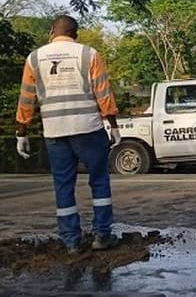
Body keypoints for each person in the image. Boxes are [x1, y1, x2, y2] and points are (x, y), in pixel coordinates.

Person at [15, 15, 122, 254]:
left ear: (52, 32)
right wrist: (113, 125)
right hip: (88, 129)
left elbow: (26, 98)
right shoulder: (89, 54)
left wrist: (22, 131)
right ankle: (102, 235)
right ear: (76, 34)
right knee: (99, 180)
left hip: (55, 131)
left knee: (63, 185)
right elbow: (103, 93)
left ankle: (71, 241)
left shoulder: (34, 58)